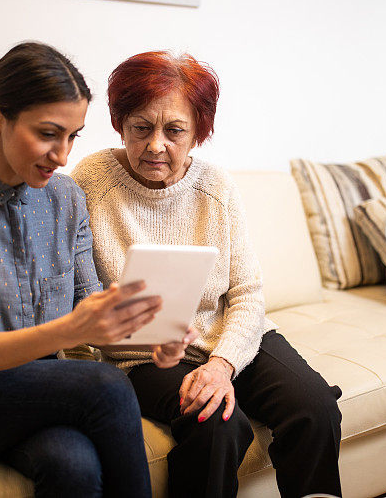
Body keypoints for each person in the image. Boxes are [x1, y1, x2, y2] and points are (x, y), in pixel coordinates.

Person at [0, 42, 195, 498]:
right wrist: (68, 331)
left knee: (71, 466)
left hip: (40, 383)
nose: (62, 155)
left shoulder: (66, 199)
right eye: (48, 133)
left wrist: (155, 335)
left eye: (73, 136)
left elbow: (88, 309)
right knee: (107, 384)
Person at [73, 51, 343, 498]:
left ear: (199, 132)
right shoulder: (91, 184)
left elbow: (248, 293)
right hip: (144, 355)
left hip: (227, 338)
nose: (156, 145)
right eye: (141, 127)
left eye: (174, 130)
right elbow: (82, 303)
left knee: (315, 408)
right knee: (215, 424)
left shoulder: (216, 188)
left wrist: (223, 363)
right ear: (120, 123)